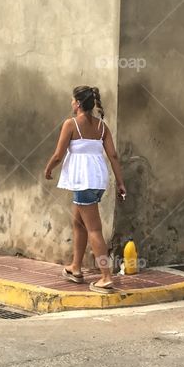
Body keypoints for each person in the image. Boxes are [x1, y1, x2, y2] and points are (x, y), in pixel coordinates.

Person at [43, 85, 126, 292]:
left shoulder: (70, 124)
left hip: (83, 182)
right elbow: (113, 156)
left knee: (94, 230)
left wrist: (48, 169)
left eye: (73, 100)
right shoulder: (102, 127)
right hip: (97, 181)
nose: (71, 103)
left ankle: (106, 277)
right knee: (78, 223)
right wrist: (120, 182)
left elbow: (58, 155)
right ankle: (75, 267)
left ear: (78, 104)